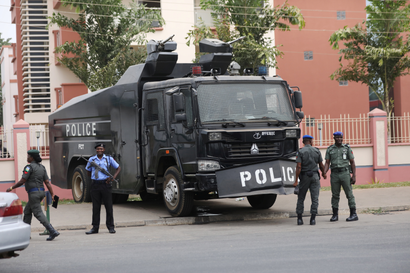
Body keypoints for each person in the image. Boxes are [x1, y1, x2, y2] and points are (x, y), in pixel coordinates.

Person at [6, 149, 60, 241]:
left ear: (32, 157)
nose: (27, 158)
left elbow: (23, 180)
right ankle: (24, 234)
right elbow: (47, 183)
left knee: (38, 213)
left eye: (28, 156)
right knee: (27, 211)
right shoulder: (42, 168)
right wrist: (52, 194)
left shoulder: (29, 167)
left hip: (33, 194)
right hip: (41, 193)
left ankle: (52, 231)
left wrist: (11, 188)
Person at [85, 143, 121, 235]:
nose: (99, 150)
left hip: (106, 185)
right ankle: (95, 228)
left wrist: (112, 178)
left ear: (104, 150)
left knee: (108, 207)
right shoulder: (92, 159)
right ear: (96, 150)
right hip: (95, 185)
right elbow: (88, 172)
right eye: (97, 149)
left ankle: (111, 227)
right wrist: (95, 178)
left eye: (101, 149)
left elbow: (118, 168)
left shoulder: (108, 159)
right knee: (96, 207)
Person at [323, 131, 358, 222]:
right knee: (335, 195)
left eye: (341, 137)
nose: (339, 139)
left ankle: (353, 214)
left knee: (349, 194)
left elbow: (352, 162)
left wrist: (354, 176)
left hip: (345, 173)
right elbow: (327, 162)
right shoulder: (330, 149)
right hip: (334, 174)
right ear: (334, 138)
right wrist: (324, 172)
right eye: (337, 137)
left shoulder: (346, 148)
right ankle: (335, 215)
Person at [293, 135, 326, 225]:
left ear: (303, 142)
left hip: (304, 177)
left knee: (301, 197)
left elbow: (298, 166)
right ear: (311, 141)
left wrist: (296, 181)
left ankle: (299, 219)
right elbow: (321, 165)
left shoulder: (300, 151)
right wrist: (324, 174)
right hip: (315, 176)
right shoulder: (316, 150)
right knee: (315, 198)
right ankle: (312, 219)